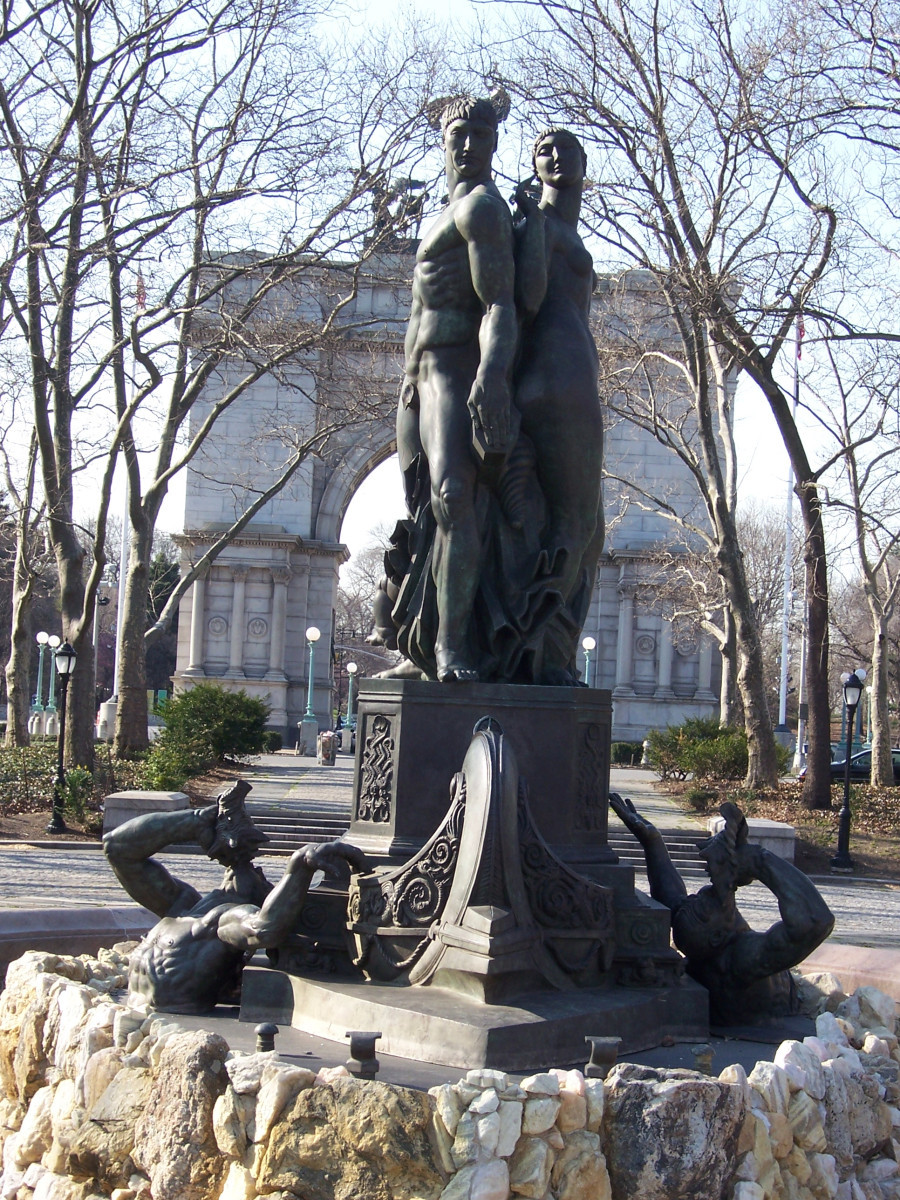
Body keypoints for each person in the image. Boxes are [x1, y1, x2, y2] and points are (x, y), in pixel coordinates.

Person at [393, 95, 518, 683]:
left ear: (494, 145)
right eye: (457, 135)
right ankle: (417, 643)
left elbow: (498, 303)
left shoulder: (483, 210)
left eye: (479, 136)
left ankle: (451, 649)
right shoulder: (440, 217)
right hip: (414, 382)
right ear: (443, 142)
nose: (467, 146)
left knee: (452, 497)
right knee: (423, 516)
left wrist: (491, 373)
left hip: (451, 366)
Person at [103, 779, 367, 1013]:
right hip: (134, 1020)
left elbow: (264, 930)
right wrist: (197, 821)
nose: (247, 869)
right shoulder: (182, 904)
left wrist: (298, 868)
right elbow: (117, 848)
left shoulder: (226, 921)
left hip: (171, 1028)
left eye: (259, 874)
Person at [609, 794, 834, 1026]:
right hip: (777, 1019)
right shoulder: (740, 957)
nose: (700, 896)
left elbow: (673, 898)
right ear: (717, 936)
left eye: (692, 901)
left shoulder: (705, 943)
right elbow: (816, 921)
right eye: (701, 909)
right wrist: (757, 860)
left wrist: (652, 842)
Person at [512, 129, 603, 682]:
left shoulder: (559, 228)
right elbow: (521, 301)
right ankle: (546, 654)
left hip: (575, 375)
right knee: (578, 523)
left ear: (584, 164)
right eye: (543, 148)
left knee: (582, 528)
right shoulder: (537, 225)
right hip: (557, 378)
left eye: (565, 146)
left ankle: (547, 648)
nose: (554, 154)